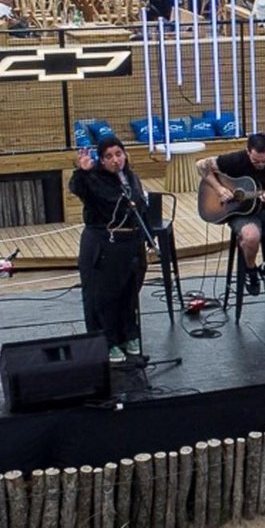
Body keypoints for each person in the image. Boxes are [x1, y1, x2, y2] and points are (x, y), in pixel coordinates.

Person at [70, 137, 149, 365]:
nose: (116, 160)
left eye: (119, 154)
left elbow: (138, 207)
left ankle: (128, 334)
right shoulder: (93, 179)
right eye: (109, 156)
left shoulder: (130, 178)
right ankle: (108, 340)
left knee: (128, 292)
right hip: (104, 242)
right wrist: (82, 171)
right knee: (105, 296)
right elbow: (78, 188)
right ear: (101, 160)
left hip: (131, 242)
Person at [197, 134, 265, 297]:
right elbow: (201, 165)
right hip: (242, 212)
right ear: (247, 152)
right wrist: (219, 189)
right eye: (256, 161)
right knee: (251, 237)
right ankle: (251, 270)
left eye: (264, 160)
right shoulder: (235, 160)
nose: (260, 164)